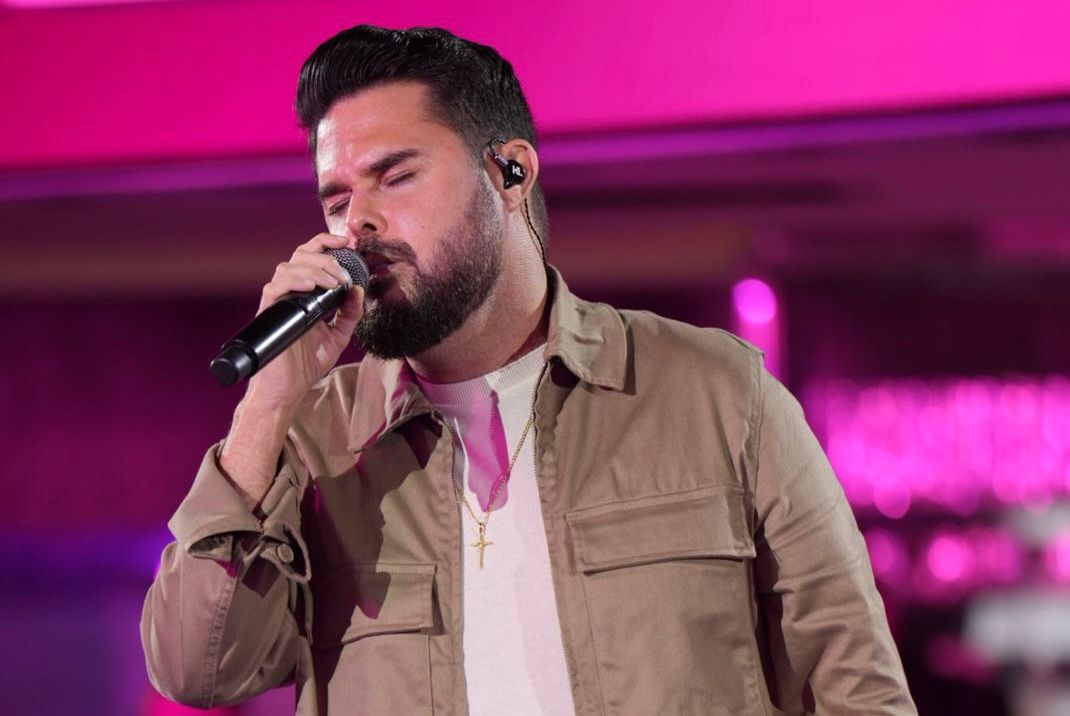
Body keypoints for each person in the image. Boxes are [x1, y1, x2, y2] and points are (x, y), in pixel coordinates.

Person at [141, 24, 917, 716]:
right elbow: (197, 671)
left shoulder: (715, 393)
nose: (358, 224)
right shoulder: (315, 441)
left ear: (509, 173)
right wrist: (266, 405)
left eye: (396, 176)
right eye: (337, 198)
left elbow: (859, 690)